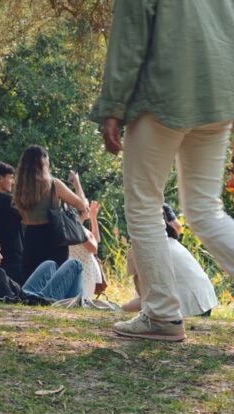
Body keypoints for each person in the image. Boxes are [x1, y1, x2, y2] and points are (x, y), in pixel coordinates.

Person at [90, 1, 234, 342]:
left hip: (164, 95)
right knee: (205, 210)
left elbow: (129, 39)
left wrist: (113, 106)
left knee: (143, 206)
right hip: (218, 97)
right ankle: (161, 313)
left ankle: (162, 315)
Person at [122, 204, 217, 318]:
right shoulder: (171, 241)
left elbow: (145, 300)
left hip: (188, 308)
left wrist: (121, 308)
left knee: (125, 309)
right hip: (206, 302)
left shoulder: (140, 249)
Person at [12, 145, 89, 281]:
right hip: (52, 237)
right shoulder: (54, 185)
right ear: (44, 162)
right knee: (55, 279)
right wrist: (77, 183)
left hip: (30, 237)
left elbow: (22, 215)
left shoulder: (19, 188)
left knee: (32, 280)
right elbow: (82, 205)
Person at [0, 234, 83, 303]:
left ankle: (75, 302)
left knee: (49, 264)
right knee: (75, 264)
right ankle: (76, 304)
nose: (1, 256)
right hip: (29, 301)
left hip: (24, 293)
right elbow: (9, 302)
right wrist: (47, 301)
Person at [65, 171, 103, 299]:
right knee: (83, 302)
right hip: (84, 273)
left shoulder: (76, 227)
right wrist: (77, 183)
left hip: (84, 271)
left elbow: (96, 239)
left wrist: (93, 217)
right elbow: (94, 248)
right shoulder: (77, 229)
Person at [0, 161, 24, 283]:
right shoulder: (10, 202)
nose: (13, 182)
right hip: (12, 260)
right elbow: (28, 217)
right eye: (11, 178)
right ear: (0, 178)